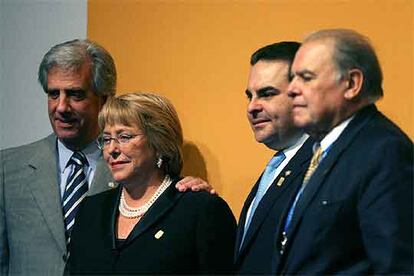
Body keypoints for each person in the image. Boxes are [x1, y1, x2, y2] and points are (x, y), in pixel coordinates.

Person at [0, 39, 208, 276]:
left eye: (75, 94)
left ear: (105, 99)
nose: (61, 107)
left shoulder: (133, 168)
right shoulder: (7, 169)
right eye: (53, 94)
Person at [274, 28, 413, 274]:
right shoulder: (324, 150)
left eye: (306, 77)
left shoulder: (384, 152)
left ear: (351, 83)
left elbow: (398, 266)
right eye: (292, 78)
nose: (291, 89)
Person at [67, 92, 236, 275]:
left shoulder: (200, 210)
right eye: (106, 139)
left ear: (158, 143)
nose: (112, 149)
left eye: (124, 137)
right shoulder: (91, 210)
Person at [234, 42, 314, 274]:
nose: (252, 107)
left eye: (267, 94)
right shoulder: (278, 165)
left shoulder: (326, 166)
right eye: (250, 96)